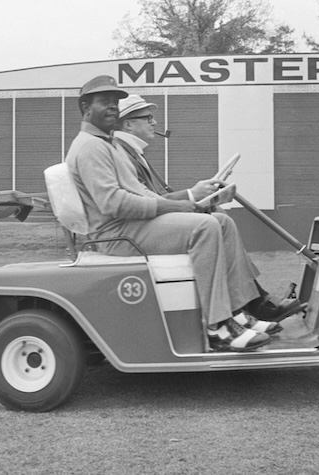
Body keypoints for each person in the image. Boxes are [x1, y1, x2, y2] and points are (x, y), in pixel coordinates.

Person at [65, 76, 280, 352]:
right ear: (85, 108)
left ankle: (238, 313)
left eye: (116, 102)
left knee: (222, 221)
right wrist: (179, 206)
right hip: (117, 234)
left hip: (132, 226)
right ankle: (217, 326)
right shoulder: (90, 147)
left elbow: (144, 196)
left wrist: (191, 199)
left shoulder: (107, 144)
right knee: (205, 227)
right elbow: (113, 203)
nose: (113, 108)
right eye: (105, 102)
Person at [113, 94, 305, 324]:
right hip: (133, 231)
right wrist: (192, 196)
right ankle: (234, 314)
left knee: (221, 219)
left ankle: (250, 303)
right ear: (128, 124)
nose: (154, 122)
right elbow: (146, 202)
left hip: (143, 223)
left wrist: (199, 198)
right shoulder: (122, 153)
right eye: (148, 117)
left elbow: (154, 199)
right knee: (212, 223)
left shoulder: (132, 152)